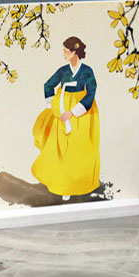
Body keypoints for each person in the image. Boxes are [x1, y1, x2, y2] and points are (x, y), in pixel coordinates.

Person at [31, 36, 100, 200]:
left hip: (82, 113)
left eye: (66, 51)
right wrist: (53, 106)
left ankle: (82, 183)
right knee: (62, 148)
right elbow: (48, 85)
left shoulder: (87, 71)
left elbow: (91, 93)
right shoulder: (63, 71)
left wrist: (74, 112)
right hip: (62, 110)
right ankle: (64, 186)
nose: (63, 53)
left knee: (81, 147)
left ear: (75, 52)